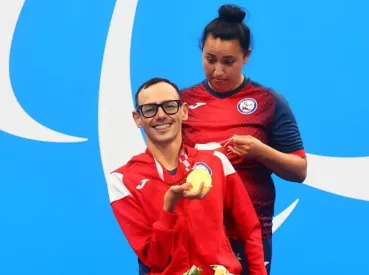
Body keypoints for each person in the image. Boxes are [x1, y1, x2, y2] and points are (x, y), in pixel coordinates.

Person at [180, 4, 308, 274]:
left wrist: (261, 152)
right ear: (201, 51)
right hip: (194, 231)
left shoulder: (268, 101)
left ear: (246, 56)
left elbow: (299, 170)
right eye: (210, 59)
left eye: (228, 62)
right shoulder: (182, 102)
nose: (217, 71)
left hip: (250, 234)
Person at [107, 77, 267, 275]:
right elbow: (154, 259)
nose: (161, 115)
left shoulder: (216, 162)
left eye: (169, 106)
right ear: (137, 118)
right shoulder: (123, 180)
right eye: (150, 109)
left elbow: (249, 229)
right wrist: (169, 207)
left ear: (184, 111)